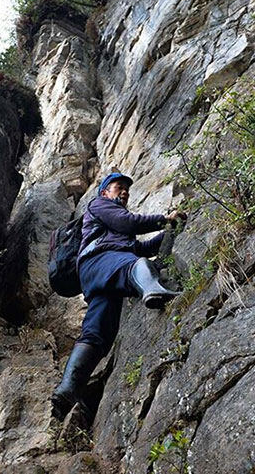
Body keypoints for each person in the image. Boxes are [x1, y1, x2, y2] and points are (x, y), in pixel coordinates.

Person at [51, 172, 186, 420]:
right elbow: (128, 223)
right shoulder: (99, 204)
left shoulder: (113, 228)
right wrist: (163, 219)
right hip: (100, 259)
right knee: (135, 266)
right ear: (105, 192)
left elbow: (139, 247)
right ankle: (152, 289)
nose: (124, 192)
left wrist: (169, 231)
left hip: (97, 273)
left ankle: (68, 390)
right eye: (118, 187)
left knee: (97, 333)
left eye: (127, 189)